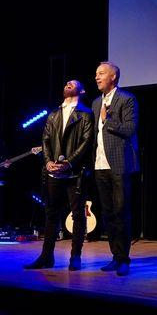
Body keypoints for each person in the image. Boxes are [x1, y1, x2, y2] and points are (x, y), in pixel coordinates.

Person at [24, 80, 94, 271]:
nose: (68, 84)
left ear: (82, 90)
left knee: (78, 215)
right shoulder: (54, 114)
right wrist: (47, 162)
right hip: (53, 173)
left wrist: (69, 163)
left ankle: (75, 257)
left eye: (73, 83)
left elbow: (86, 142)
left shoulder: (85, 114)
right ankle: (47, 256)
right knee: (51, 215)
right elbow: (45, 140)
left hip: (74, 173)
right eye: (66, 83)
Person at [92, 61, 139, 276]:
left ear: (113, 76)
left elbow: (130, 129)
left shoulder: (126, 99)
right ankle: (114, 255)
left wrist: (108, 121)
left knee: (122, 212)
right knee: (108, 213)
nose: (97, 77)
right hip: (100, 164)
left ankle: (124, 259)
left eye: (101, 73)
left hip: (120, 163)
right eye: (96, 74)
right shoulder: (95, 103)